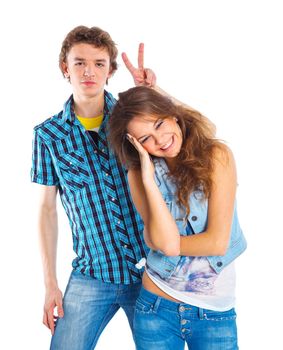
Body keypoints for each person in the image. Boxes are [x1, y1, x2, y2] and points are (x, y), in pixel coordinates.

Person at [31, 26, 156, 350]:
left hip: (150, 272)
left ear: (111, 70)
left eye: (99, 63)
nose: (89, 71)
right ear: (65, 68)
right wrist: (50, 284)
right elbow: (46, 210)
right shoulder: (48, 135)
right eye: (79, 62)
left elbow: (177, 149)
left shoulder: (131, 119)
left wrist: (153, 98)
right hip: (92, 272)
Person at [108, 86, 247, 350]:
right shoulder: (139, 176)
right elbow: (157, 238)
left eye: (160, 124)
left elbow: (216, 243)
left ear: (173, 114)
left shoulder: (217, 157)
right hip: (156, 308)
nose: (160, 140)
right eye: (146, 138)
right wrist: (149, 180)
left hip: (214, 313)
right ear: (136, 145)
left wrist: (167, 243)